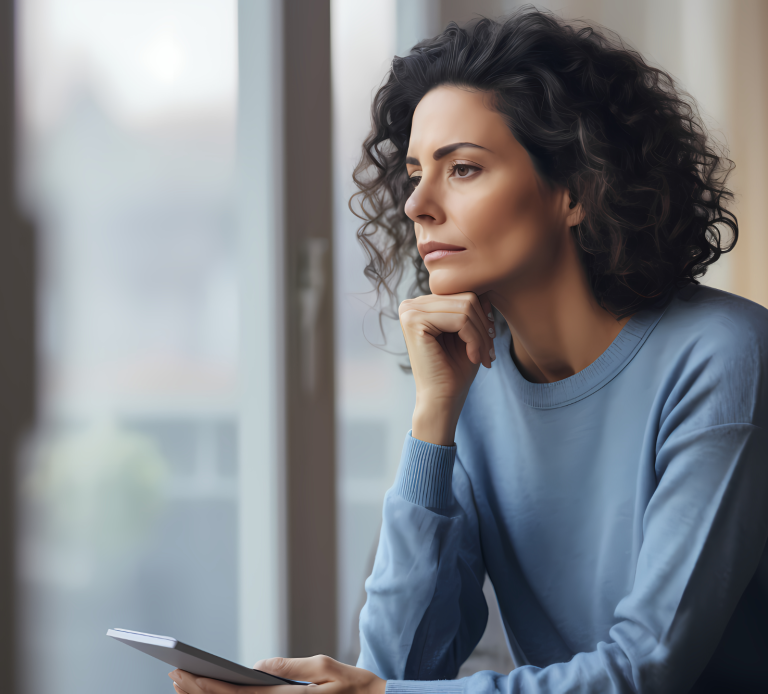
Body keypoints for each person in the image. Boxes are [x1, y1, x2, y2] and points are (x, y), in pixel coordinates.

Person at [168, 9, 768, 694]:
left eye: (463, 168)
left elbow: (644, 671)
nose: (417, 203)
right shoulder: (473, 374)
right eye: (416, 171)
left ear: (576, 188)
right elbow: (398, 667)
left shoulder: (722, 358)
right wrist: (434, 419)